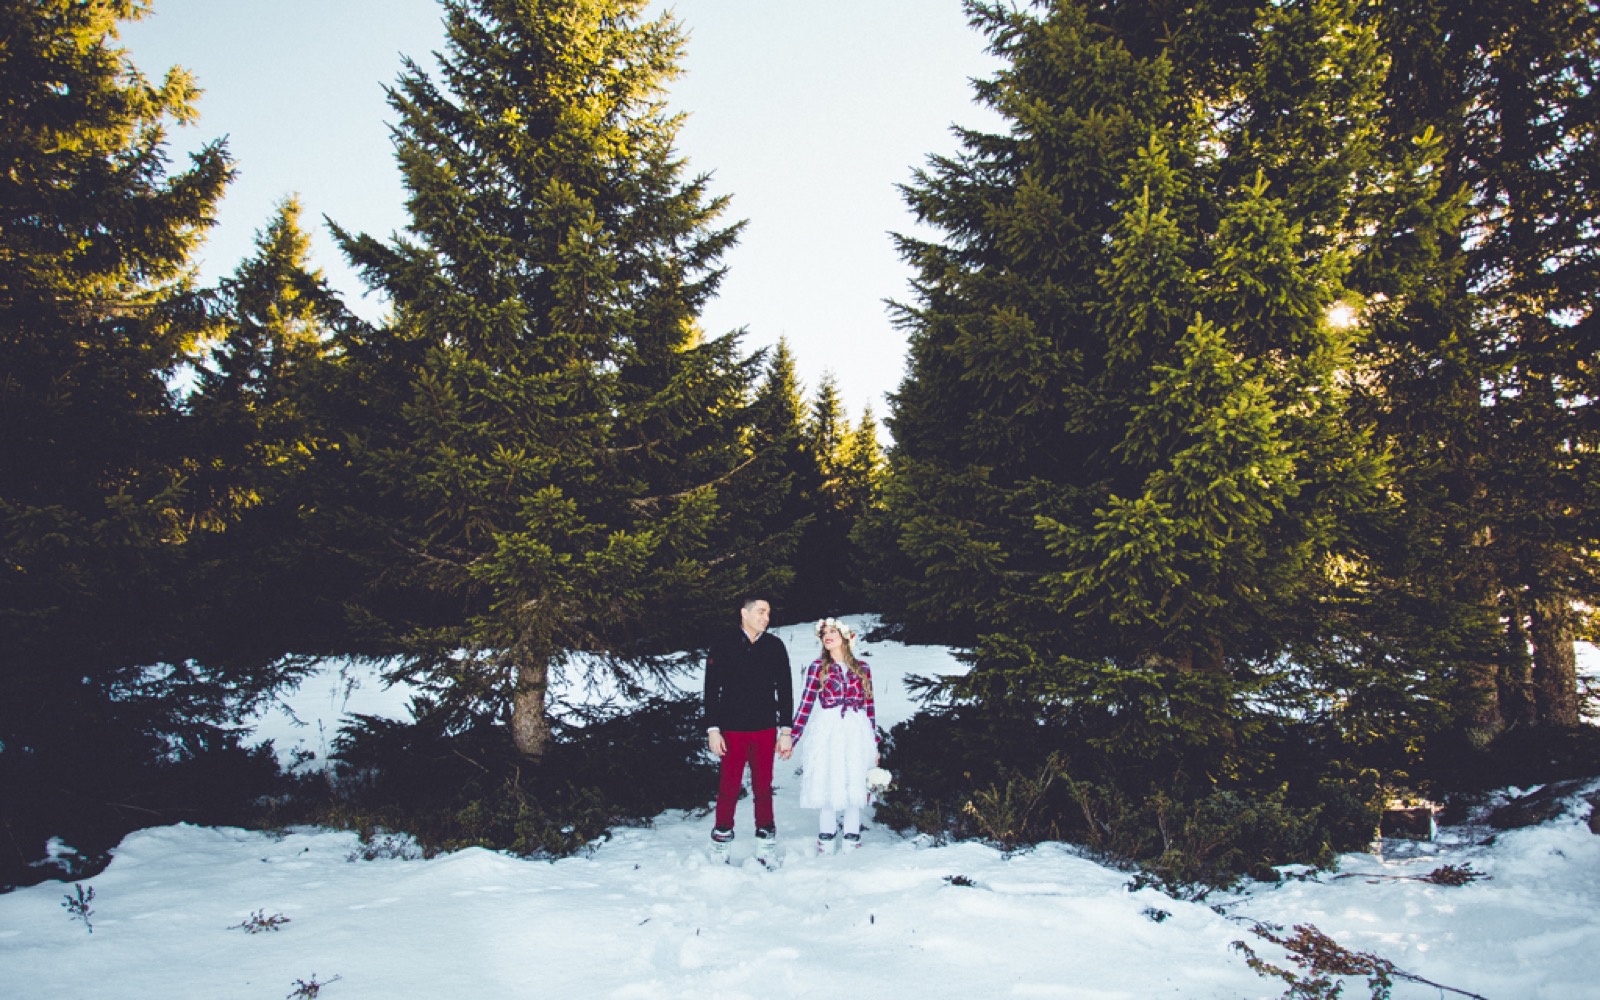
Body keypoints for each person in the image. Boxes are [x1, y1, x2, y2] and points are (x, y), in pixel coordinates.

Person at [703, 597, 793, 864]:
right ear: (744, 613)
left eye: (768, 613)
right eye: (761, 612)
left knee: (763, 788)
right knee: (728, 788)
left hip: (764, 729)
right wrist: (713, 729)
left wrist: (785, 730)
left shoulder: (775, 646)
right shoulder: (723, 644)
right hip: (731, 730)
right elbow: (711, 689)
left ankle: (765, 846)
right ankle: (721, 846)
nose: (766, 618)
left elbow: (785, 690)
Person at [790, 617, 879, 854]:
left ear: (845, 637)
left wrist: (874, 743)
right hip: (829, 728)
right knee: (828, 777)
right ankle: (826, 838)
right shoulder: (818, 668)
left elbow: (870, 707)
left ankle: (852, 838)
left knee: (854, 778)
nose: (827, 636)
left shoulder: (862, 668)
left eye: (832, 632)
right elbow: (806, 705)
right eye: (824, 633)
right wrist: (792, 737)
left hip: (856, 729)